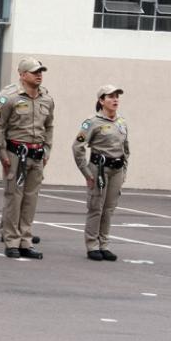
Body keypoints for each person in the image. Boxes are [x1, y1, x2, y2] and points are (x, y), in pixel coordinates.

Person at [0, 57, 54, 259]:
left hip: (36, 154)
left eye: (41, 71)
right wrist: (2, 153)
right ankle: (11, 240)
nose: (39, 75)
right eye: (34, 71)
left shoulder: (46, 98)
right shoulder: (9, 96)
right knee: (14, 198)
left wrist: (46, 149)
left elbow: (49, 126)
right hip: (15, 153)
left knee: (30, 199)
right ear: (22, 74)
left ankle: (25, 241)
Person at [73, 85, 129, 262]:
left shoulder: (121, 122)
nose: (115, 100)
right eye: (110, 97)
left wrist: (124, 172)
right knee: (96, 207)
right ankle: (92, 245)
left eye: (117, 97)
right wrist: (86, 172)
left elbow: (126, 149)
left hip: (116, 170)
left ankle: (104, 244)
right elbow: (78, 147)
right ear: (101, 100)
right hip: (99, 170)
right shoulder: (92, 122)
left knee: (109, 209)